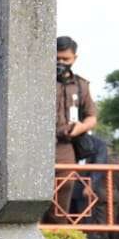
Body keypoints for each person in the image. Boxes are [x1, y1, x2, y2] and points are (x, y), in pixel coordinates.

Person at [52, 36, 97, 222]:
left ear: (74, 58)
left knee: (63, 192)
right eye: (57, 58)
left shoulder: (81, 85)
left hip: (65, 147)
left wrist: (81, 127)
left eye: (66, 59)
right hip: (38, 145)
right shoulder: (37, 82)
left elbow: (92, 116)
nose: (61, 62)